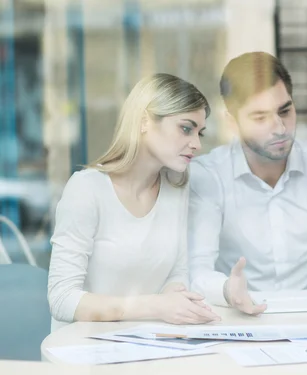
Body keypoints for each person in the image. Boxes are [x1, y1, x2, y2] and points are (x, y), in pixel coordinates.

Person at [188, 52, 307, 313]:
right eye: (260, 118)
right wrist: (227, 291)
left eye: (285, 111)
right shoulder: (207, 175)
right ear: (232, 122)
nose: (279, 128)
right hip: (238, 322)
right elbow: (197, 270)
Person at [48, 73, 220, 331]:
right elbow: (62, 299)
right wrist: (157, 307)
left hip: (147, 343)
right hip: (84, 351)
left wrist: (180, 305)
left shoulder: (176, 187)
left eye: (200, 133)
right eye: (186, 128)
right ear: (143, 122)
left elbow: (176, 272)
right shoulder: (87, 189)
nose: (196, 144)